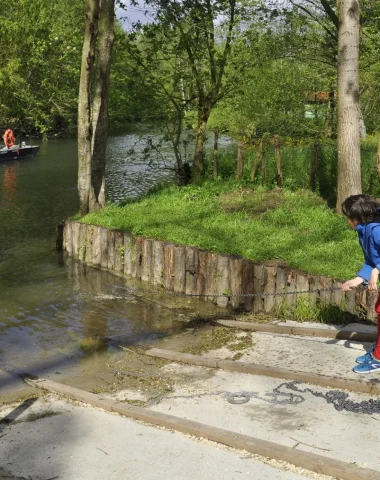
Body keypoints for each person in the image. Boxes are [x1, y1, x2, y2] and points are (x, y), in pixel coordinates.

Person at [341, 194, 380, 374]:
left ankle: (378, 358)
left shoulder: (376, 230)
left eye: (348, 217)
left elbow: (376, 264)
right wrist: (357, 279)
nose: (347, 221)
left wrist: (378, 269)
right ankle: (378, 352)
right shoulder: (363, 231)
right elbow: (371, 260)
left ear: (355, 218)